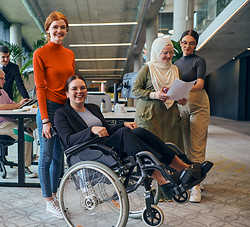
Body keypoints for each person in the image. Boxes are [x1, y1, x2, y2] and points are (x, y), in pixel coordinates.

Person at [54, 75, 213, 200]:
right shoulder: (62, 114)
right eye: (74, 89)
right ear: (67, 93)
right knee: (125, 135)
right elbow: (68, 141)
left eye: (82, 88)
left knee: (138, 131)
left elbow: (107, 130)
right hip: (91, 152)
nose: (79, 91)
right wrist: (91, 130)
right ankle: (164, 180)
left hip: (107, 146)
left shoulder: (93, 108)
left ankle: (184, 168)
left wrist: (123, 124)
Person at [33, 11, 75, 219]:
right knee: (47, 155)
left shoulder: (69, 54)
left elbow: (71, 85)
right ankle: (48, 201)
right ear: (48, 29)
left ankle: (54, 195)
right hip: (48, 109)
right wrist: (45, 120)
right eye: (55, 27)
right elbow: (40, 88)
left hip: (64, 109)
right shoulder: (40, 54)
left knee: (60, 156)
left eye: (63, 27)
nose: (59, 31)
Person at [0, 46, 36, 175]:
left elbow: (17, 90)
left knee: (37, 119)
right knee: (26, 137)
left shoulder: (3, 91)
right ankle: (23, 167)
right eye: (2, 79)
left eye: (7, 56)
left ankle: (25, 128)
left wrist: (24, 103)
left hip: (8, 117)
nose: (5, 81)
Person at [132, 38, 187, 151]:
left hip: (170, 116)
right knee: (150, 148)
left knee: (172, 148)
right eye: (165, 52)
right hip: (149, 115)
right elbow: (135, 90)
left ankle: (173, 169)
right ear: (157, 52)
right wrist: (154, 95)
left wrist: (180, 100)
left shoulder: (176, 70)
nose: (168, 56)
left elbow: (177, 91)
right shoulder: (148, 68)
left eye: (171, 52)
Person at [174, 30, 210, 203]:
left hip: (198, 106)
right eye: (184, 42)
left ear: (196, 44)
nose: (187, 46)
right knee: (185, 147)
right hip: (182, 105)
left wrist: (181, 89)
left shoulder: (199, 60)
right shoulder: (175, 63)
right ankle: (194, 177)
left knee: (197, 145)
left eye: (191, 43)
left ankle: (196, 187)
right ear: (180, 43)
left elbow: (200, 84)